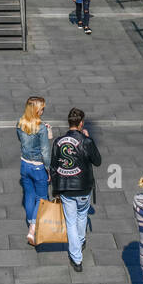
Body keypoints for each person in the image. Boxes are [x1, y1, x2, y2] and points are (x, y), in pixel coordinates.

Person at [50, 107, 101, 271]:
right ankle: (80, 241)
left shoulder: (58, 142)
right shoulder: (86, 141)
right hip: (84, 187)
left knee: (70, 222)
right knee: (82, 215)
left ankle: (77, 258)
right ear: (81, 123)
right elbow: (97, 161)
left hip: (66, 188)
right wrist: (88, 139)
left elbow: (53, 166)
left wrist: (55, 188)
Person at [17, 95, 52, 246]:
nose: (44, 110)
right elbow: (45, 151)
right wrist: (49, 169)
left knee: (29, 196)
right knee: (42, 197)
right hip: (38, 166)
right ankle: (33, 228)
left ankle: (31, 221)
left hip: (24, 164)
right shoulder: (41, 128)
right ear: (37, 110)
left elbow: (23, 141)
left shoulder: (20, 123)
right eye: (42, 108)